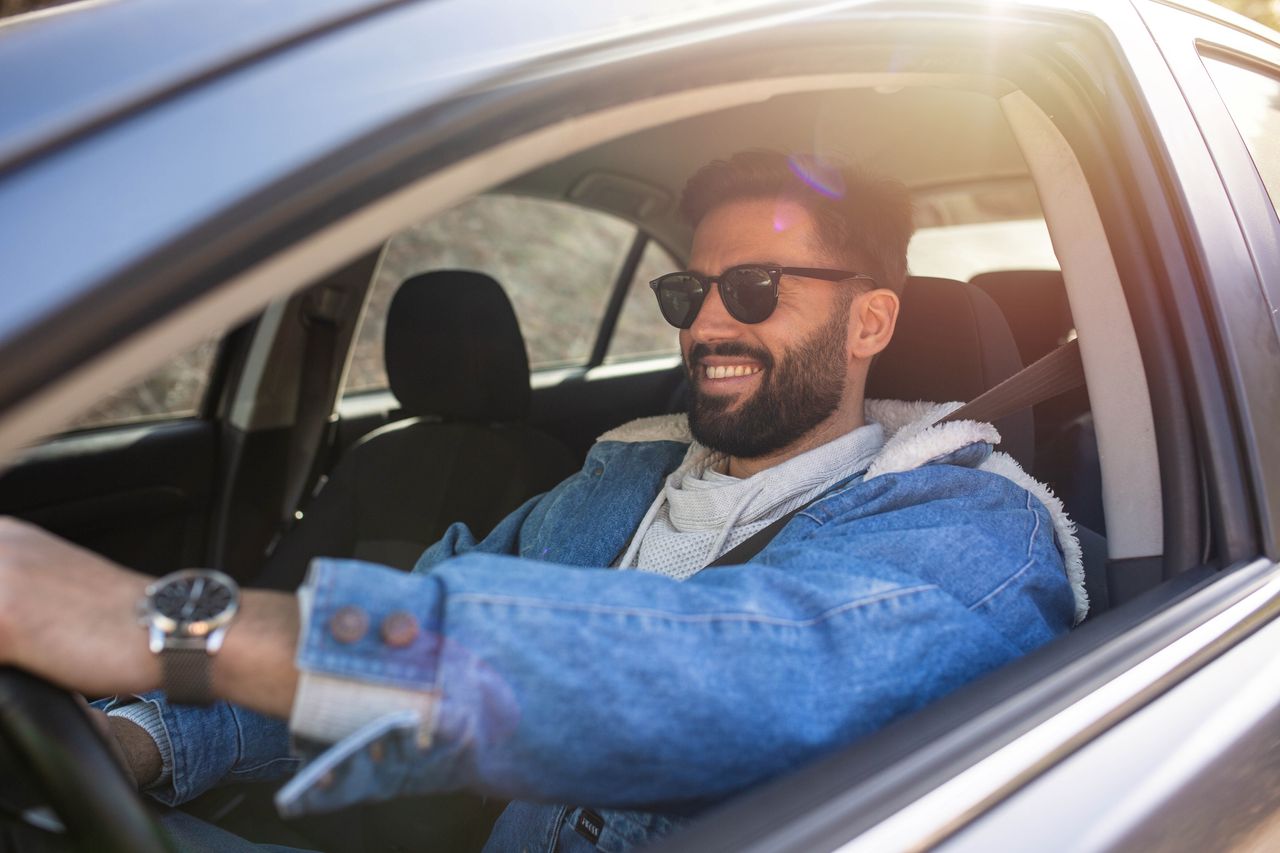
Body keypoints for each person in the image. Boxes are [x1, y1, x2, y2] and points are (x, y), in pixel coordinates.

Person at [0, 150, 1084, 851]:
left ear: (869, 325)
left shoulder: (966, 530)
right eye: (687, 292)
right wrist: (149, 736)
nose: (706, 325)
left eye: (753, 289)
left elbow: (722, 673)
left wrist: (177, 629)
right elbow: (381, 654)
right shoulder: (610, 481)